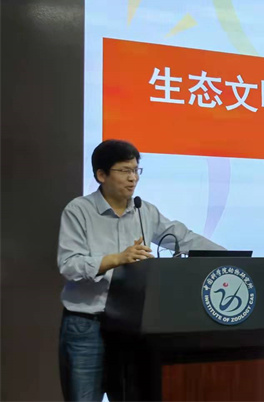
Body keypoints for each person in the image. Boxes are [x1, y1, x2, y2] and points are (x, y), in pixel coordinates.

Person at [57, 139, 224, 401]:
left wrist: (230, 256)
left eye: (136, 170)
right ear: (101, 175)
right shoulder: (79, 211)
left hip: (131, 324)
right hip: (87, 324)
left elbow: (182, 238)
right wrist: (118, 258)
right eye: (124, 171)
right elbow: (69, 265)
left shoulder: (143, 210)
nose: (133, 178)